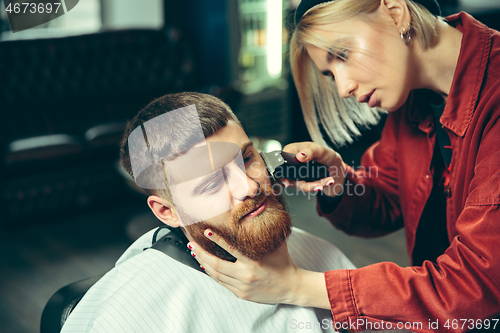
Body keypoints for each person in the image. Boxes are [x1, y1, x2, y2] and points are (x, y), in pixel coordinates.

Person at [190, 0, 500, 331]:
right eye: (330, 73)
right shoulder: (415, 97)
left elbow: (473, 288)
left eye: (342, 55)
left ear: (396, 13)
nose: (343, 88)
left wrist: (295, 285)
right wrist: (339, 181)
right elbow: (390, 198)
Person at [60, 92, 363, 333]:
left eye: (247, 159)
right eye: (212, 182)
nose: (249, 186)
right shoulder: (124, 317)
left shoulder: (324, 256)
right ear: (167, 212)